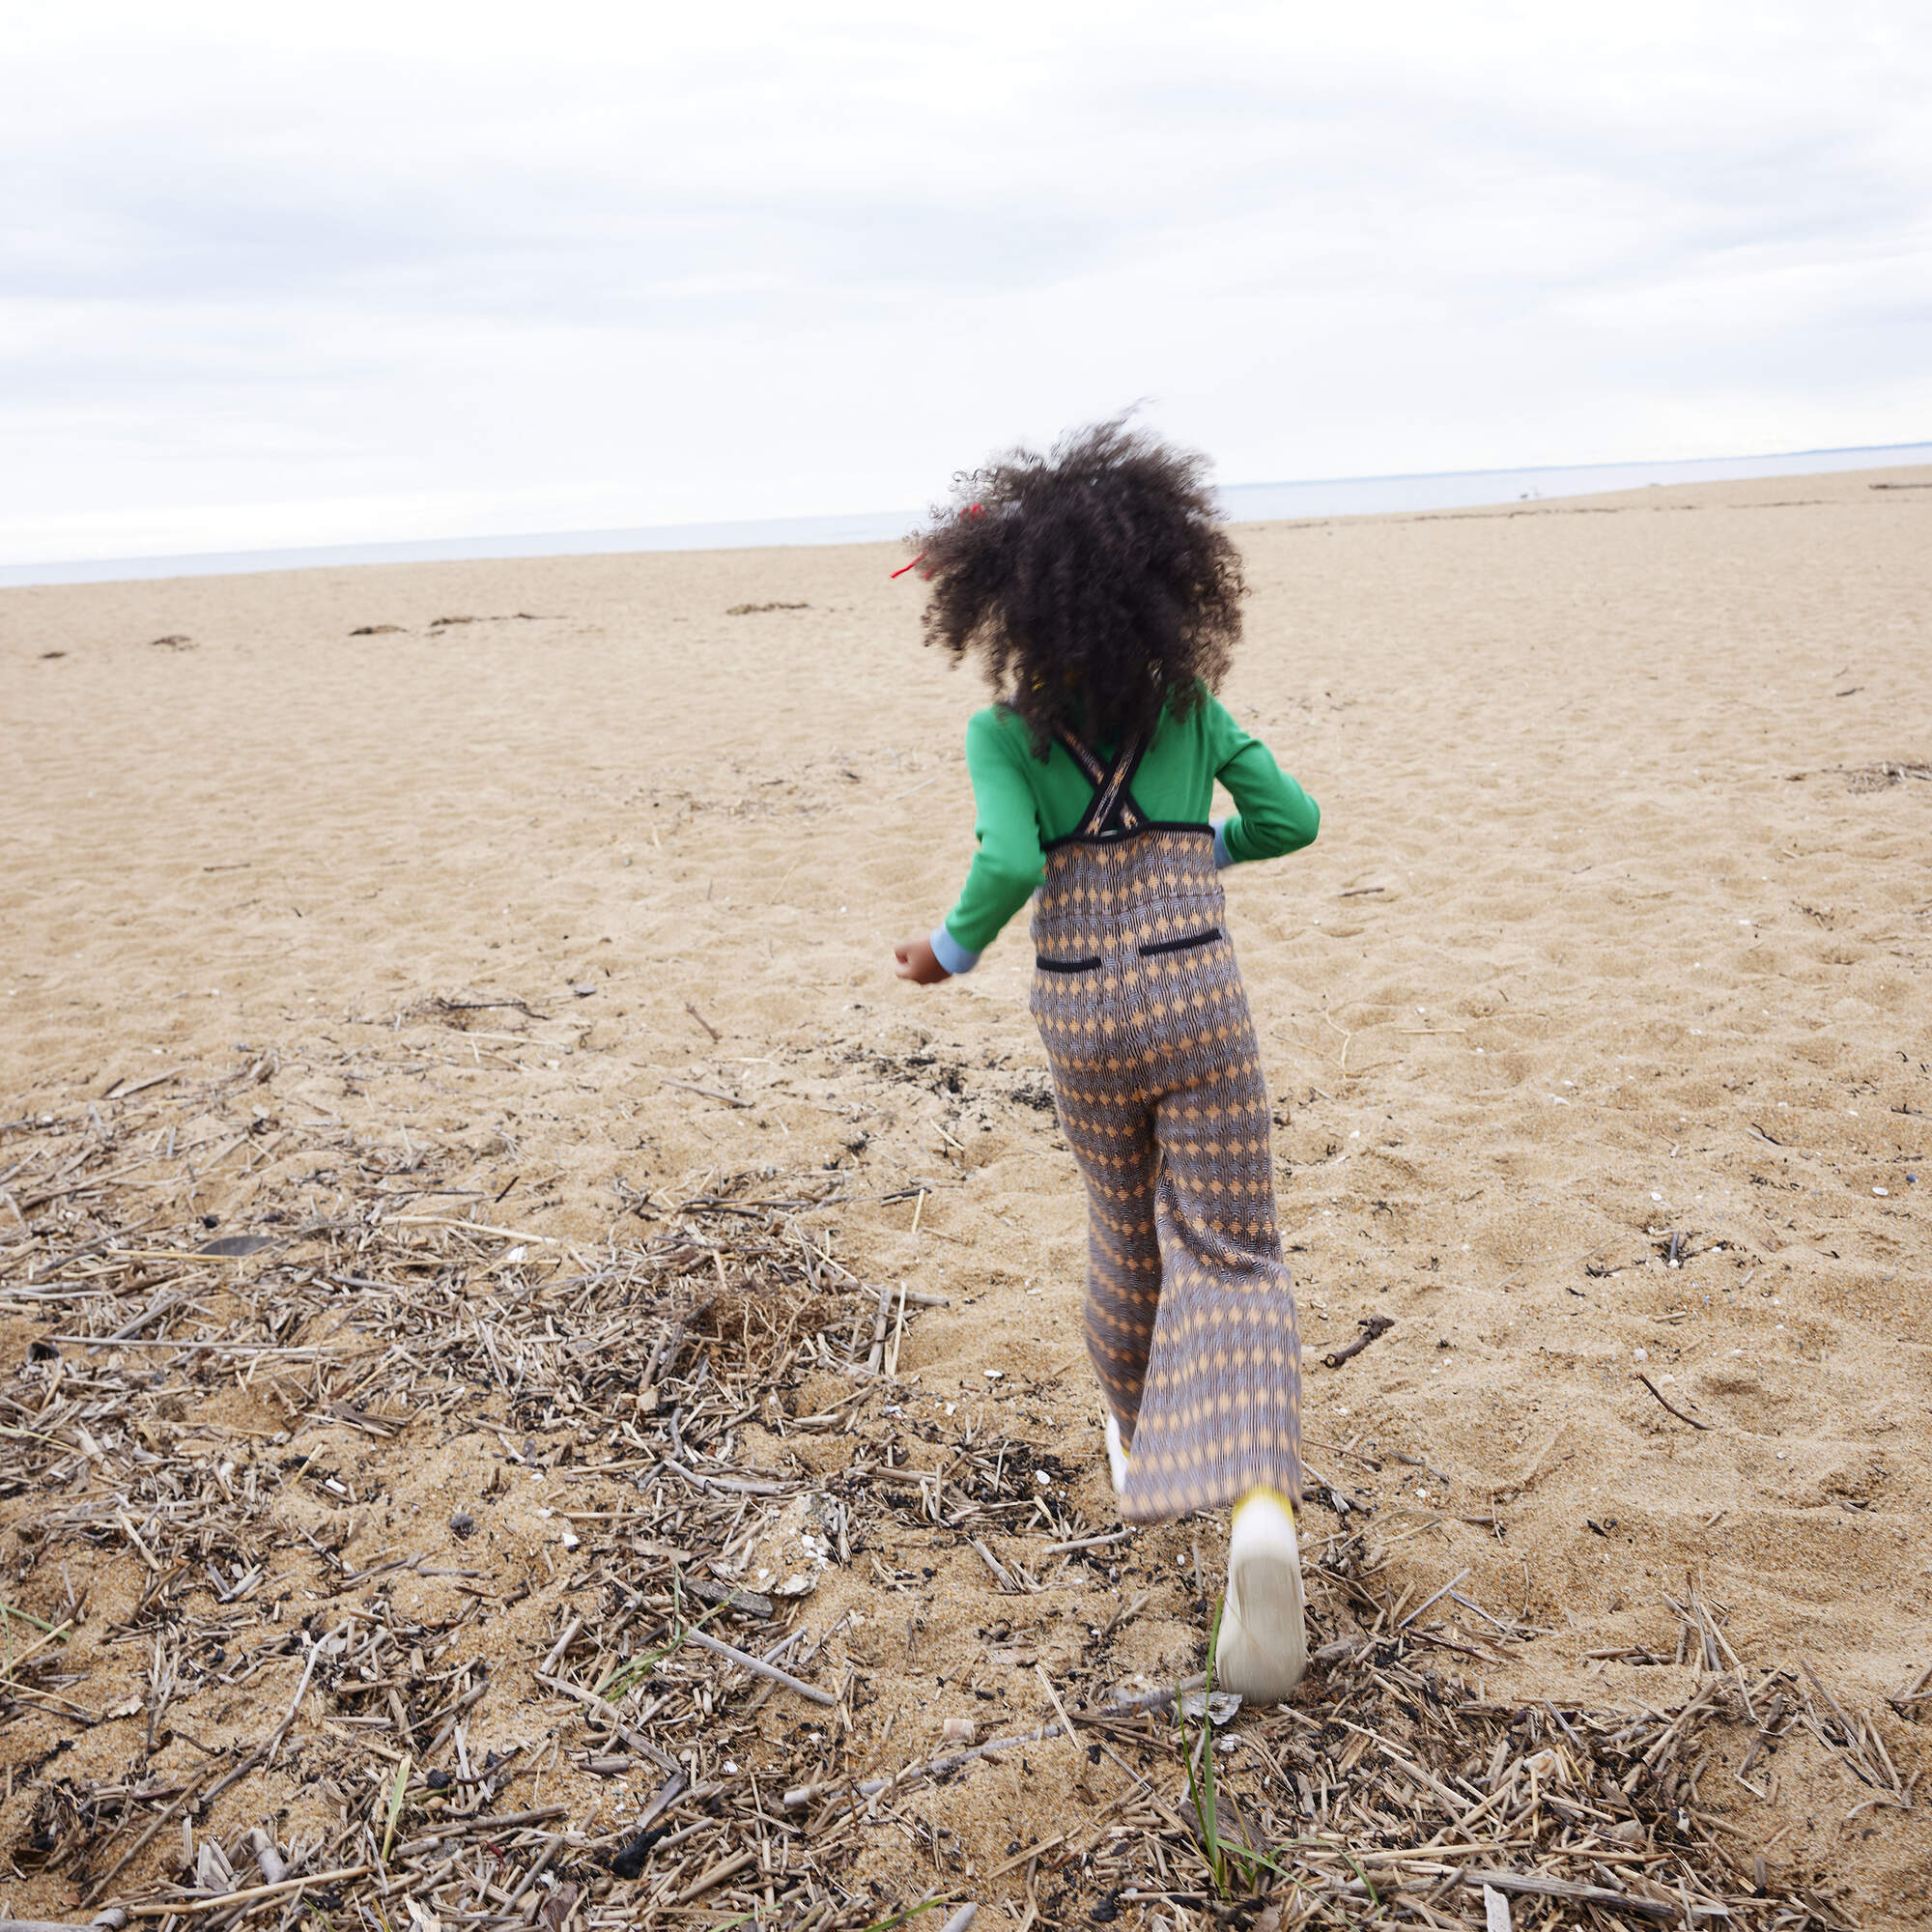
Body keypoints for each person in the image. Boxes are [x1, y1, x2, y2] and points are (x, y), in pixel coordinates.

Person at [891, 419, 1321, 1700]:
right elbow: (1293, 820)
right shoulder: (1190, 704)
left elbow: (1015, 863)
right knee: (1232, 1244)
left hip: (1081, 1011)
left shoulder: (1005, 735)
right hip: (1198, 992)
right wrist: (1201, 859)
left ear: (1010, 610)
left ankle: (1141, 1449)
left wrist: (948, 952)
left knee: (1120, 1225)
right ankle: (1256, 1502)